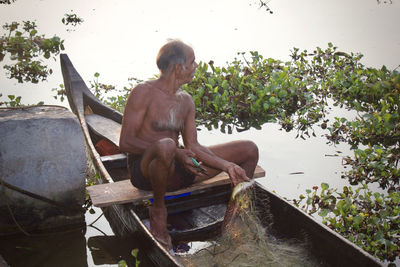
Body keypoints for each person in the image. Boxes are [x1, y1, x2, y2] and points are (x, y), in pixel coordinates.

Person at [119, 39, 259, 249]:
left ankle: (232, 222)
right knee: (166, 145)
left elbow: (193, 146)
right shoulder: (143, 92)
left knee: (249, 149)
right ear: (178, 67)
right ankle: (158, 210)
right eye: (192, 62)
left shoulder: (186, 101)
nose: (195, 67)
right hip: (147, 172)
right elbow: (125, 142)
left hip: (178, 169)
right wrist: (176, 152)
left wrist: (227, 165)